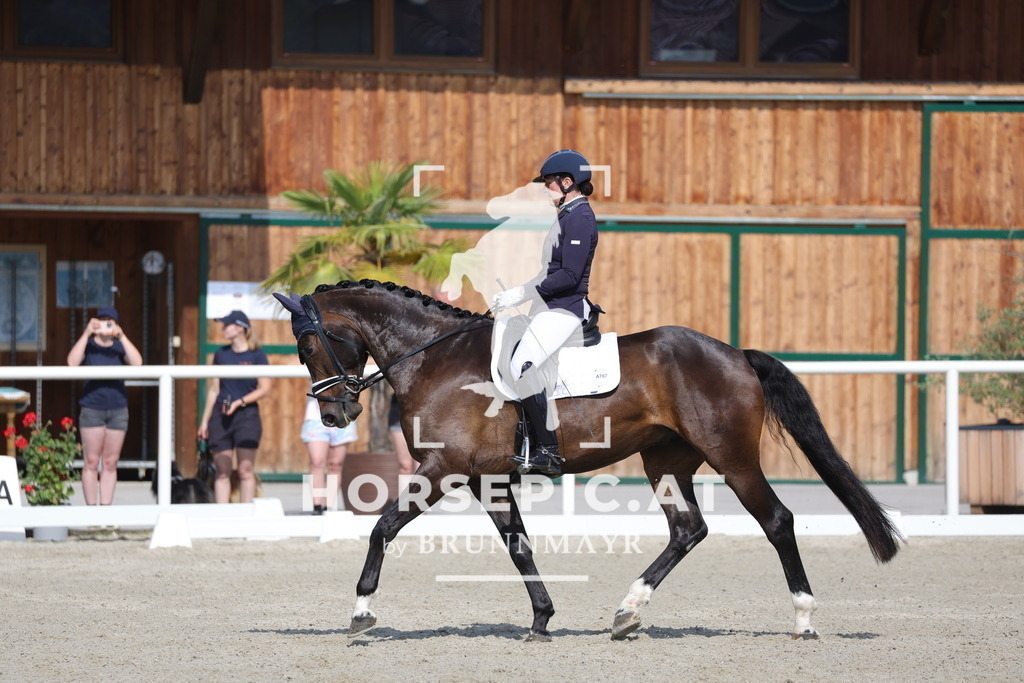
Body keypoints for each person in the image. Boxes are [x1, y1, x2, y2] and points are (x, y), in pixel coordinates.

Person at [491, 149, 600, 477]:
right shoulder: (566, 215)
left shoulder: (579, 216)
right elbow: (547, 273)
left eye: (550, 183)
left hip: (565, 309)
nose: (545, 189)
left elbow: (568, 276)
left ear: (568, 182)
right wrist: (518, 294)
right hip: (549, 306)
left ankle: (549, 451)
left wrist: (522, 293)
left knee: (523, 366)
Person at [67, 305, 143, 505]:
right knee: (91, 462)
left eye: (110, 322)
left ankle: (106, 510)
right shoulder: (89, 345)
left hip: (117, 408)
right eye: (102, 321)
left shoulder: (119, 346)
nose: (105, 326)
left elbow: (137, 363)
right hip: (92, 407)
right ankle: (92, 511)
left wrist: (122, 337)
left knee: (110, 463)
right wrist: (86, 333)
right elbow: (72, 363)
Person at [197, 310, 270, 504]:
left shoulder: (257, 355)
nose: (222, 329)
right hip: (220, 416)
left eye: (226, 325)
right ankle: (223, 518)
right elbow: (214, 390)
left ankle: (246, 517)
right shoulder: (221, 354)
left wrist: (240, 402)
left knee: (246, 471)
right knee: (222, 472)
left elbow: (265, 388)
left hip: (247, 416)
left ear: (240, 328)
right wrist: (204, 422)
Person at [303, 387, 359, 514]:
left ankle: (329, 506)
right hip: (316, 418)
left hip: (343, 415)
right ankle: (317, 506)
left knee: (335, 464)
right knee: (317, 462)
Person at [388, 393, 418, 485]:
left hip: (422, 412)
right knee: (405, 466)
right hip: (399, 411)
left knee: (421, 466)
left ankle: (421, 498)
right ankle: (405, 498)